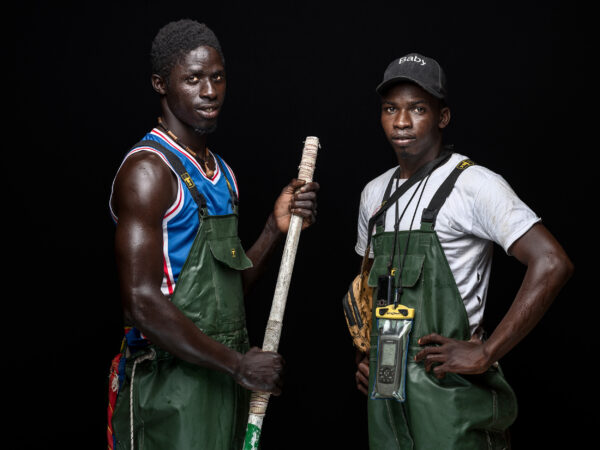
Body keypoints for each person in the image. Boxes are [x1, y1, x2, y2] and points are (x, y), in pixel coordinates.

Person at [106, 19, 319, 450]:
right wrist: (239, 365)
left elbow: (224, 293)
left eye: (218, 78)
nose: (209, 91)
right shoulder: (148, 172)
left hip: (221, 381)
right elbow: (142, 303)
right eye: (194, 79)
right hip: (170, 387)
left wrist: (271, 230)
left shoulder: (222, 175)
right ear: (160, 84)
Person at [352, 53, 573, 449]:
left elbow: (552, 262)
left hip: (448, 391)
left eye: (418, 108)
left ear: (443, 116)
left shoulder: (474, 185)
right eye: (391, 109)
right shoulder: (374, 195)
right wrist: (364, 356)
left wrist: (487, 352)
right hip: (385, 392)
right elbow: (365, 292)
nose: (401, 122)